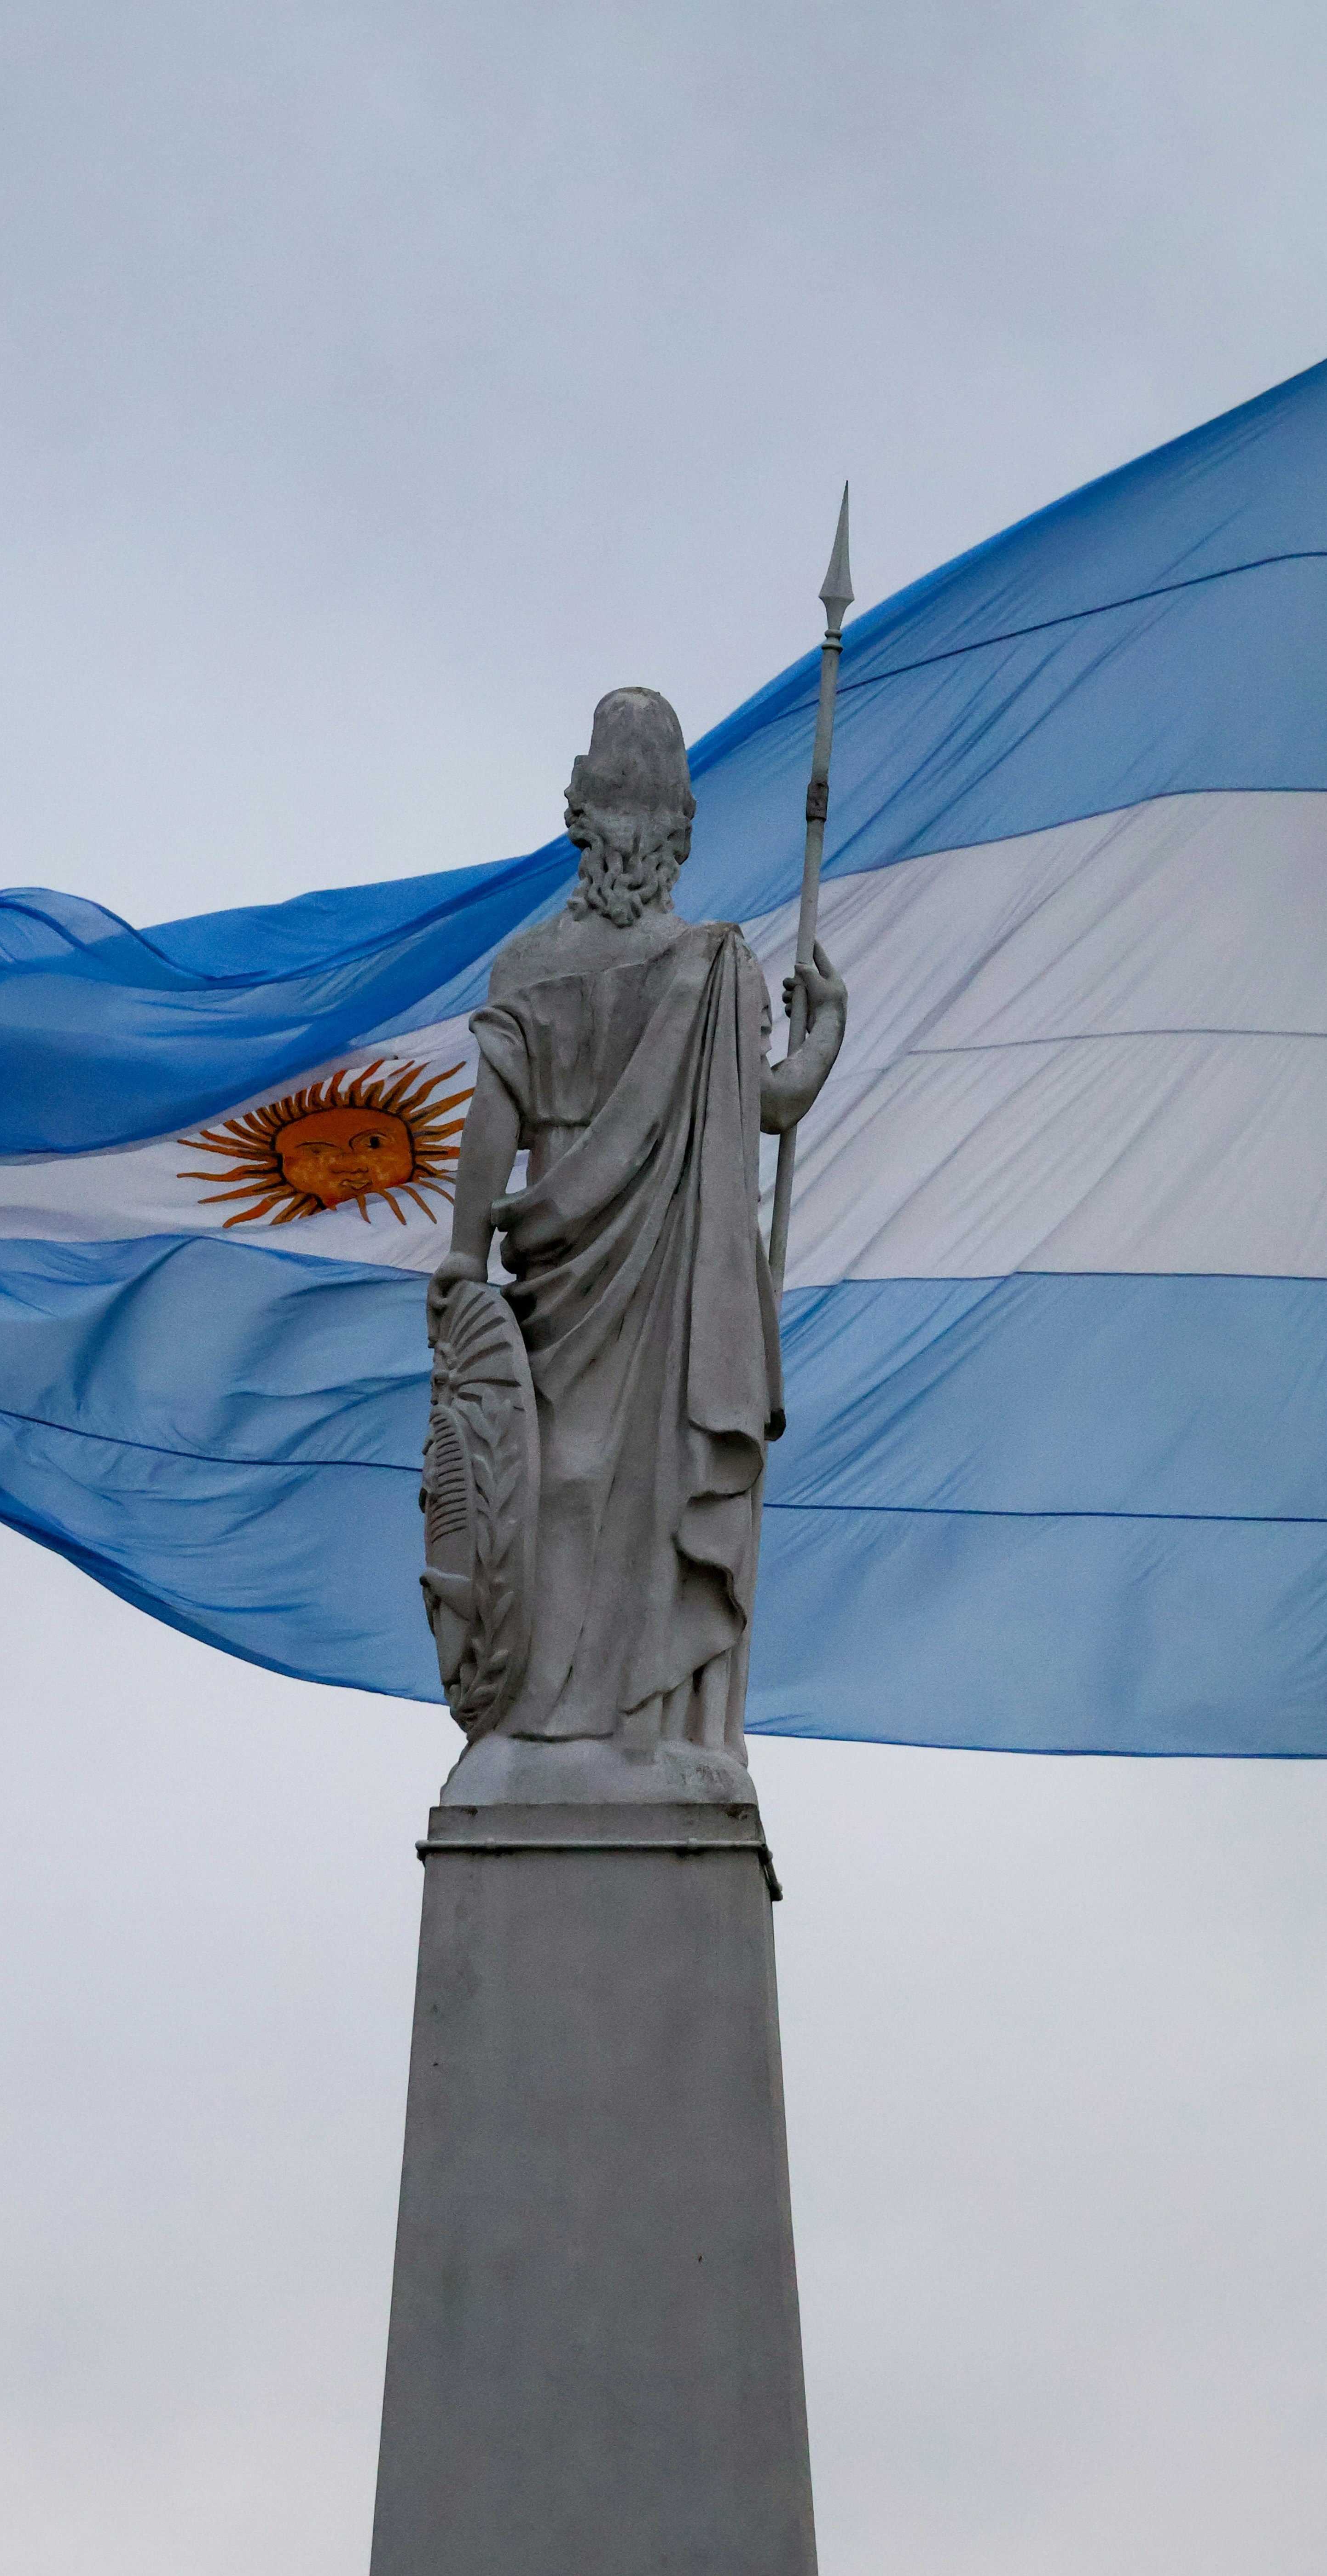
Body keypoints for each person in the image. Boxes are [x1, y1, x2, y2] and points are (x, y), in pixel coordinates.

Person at [428, 687, 845, 1784]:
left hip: (561, 1278)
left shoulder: (533, 967)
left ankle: (537, 1729)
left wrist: (466, 1253)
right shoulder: (709, 970)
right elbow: (772, 1103)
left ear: (576, 815)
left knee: (557, 1487)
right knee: (650, 1497)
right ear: (679, 833)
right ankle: (643, 1732)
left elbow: (493, 1115)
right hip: (660, 1284)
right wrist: (825, 1038)